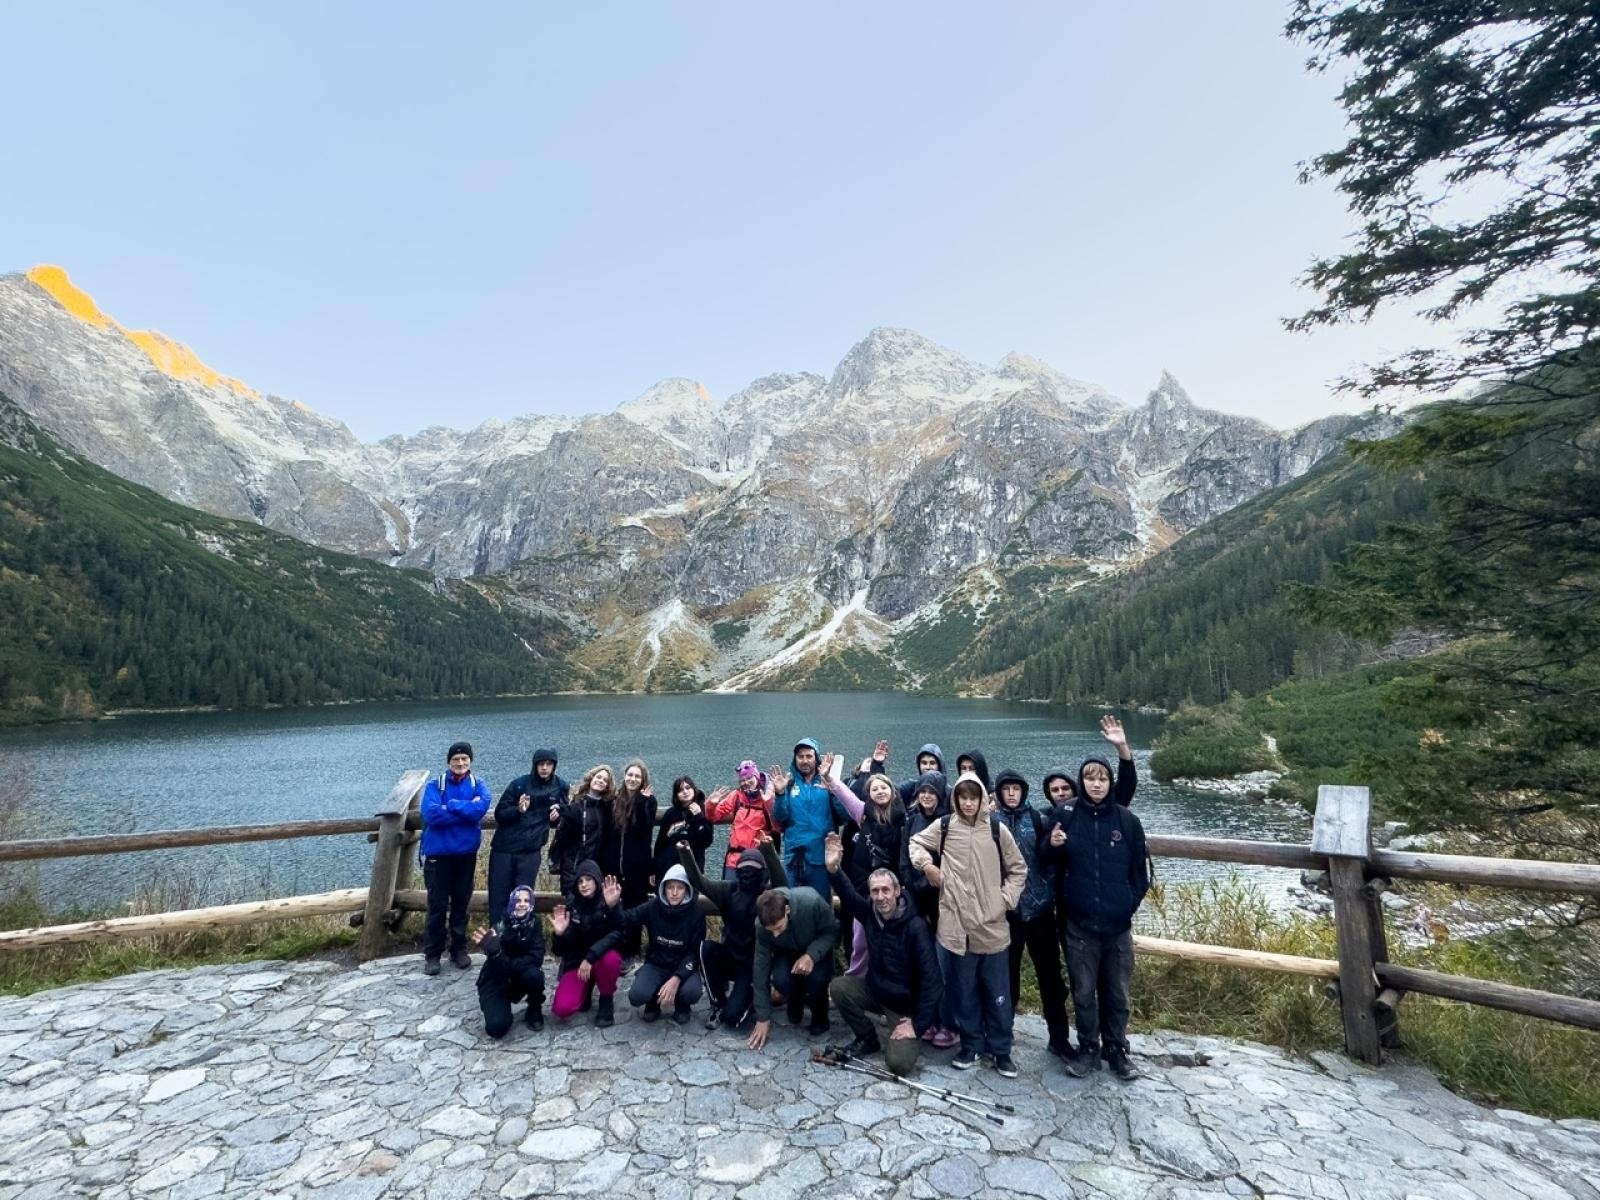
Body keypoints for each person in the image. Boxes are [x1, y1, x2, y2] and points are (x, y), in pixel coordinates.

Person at [907, 771, 1027, 1077]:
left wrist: (1004, 900)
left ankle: (1001, 1050)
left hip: (992, 926)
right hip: (956, 926)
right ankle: (971, 1044)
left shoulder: (998, 829)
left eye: (974, 797)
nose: (969, 803)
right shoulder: (946, 826)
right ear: (956, 798)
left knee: (998, 993)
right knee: (965, 992)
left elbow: (1018, 869)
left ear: (982, 799)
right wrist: (928, 867)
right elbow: (915, 843)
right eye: (963, 797)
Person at [1044, 745, 1151, 1082]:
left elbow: (1140, 874)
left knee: (1117, 992)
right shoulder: (1066, 815)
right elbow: (1047, 863)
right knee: (1084, 991)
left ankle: (1117, 1049)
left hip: (1117, 926)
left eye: (1102, 778)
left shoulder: (1126, 820)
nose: (1096, 784)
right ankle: (1088, 1047)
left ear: (1109, 782)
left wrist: (1126, 905)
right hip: (1079, 923)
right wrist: (1052, 845)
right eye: (1090, 778)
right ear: (1082, 781)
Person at [823, 833, 941, 1077]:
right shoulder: (870, 912)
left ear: (897, 891)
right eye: (875, 891)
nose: (880, 897)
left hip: (905, 1007)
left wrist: (916, 1025)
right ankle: (867, 1038)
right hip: (876, 991)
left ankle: (899, 1031)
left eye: (885, 890)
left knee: (898, 1065)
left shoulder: (915, 926)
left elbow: (933, 982)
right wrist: (834, 869)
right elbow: (848, 896)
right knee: (839, 988)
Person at [992, 767, 1073, 1058]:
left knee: (1051, 978)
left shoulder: (1039, 819)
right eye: (1006, 788)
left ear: (1024, 791)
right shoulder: (991, 822)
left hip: (1040, 912)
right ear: (999, 792)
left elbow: (1051, 858)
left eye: (1016, 788)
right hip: (1007, 913)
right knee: (1006, 978)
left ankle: (1059, 1038)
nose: (1012, 793)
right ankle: (1002, 1036)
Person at [677, 832, 787, 1031]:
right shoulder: (728, 890)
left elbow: (782, 883)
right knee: (706, 948)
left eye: (753, 870)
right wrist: (685, 852)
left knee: (733, 1019)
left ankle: (753, 998)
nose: (747, 874)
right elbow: (699, 882)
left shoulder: (769, 895)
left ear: (762, 872)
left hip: (752, 965)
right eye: (743, 869)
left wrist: (768, 850)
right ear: (737, 871)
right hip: (729, 956)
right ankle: (717, 1003)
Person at [594, 865, 707, 1024]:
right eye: (670, 887)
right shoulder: (653, 906)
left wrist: (677, 978)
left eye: (679, 888)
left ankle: (682, 1006)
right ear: (663, 888)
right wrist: (613, 906)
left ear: (687, 889)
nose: (674, 893)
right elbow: (625, 920)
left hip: (683, 965)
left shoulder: (696, 913)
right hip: (657, 964)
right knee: (637, 996)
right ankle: (653, 1002)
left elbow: (695, 953)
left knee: (692, 992)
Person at [897, 769, 958, 1049]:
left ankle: (949, 1022)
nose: (926, 796)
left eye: (932, 792)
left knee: (945, 962)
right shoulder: (912, 821)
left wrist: (934, 884)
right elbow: (904, 861)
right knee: (924, 962)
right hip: (918, 900)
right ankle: (929, 1018)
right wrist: (915, 886)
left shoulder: (950, 822)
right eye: (922, 792)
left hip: (945, 900)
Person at [419, 741, 492, 975]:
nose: (460, 763)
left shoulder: (478, 784)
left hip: (465, 855)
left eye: (464, 759)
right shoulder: (435, 785)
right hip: (438, 856)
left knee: (461, 903)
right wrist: (464, 810)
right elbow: (431, 815)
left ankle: (458, 949)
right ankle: (433, 954)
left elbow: (479, 811)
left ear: (470, 761)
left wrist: (450, 806)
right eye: (456, 760)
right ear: (449, 762)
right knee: (437, 906)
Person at [747, 884, 839, 1047]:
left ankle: (820, 1017)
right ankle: (795, 998)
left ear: (787, 910)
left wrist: (811, 955)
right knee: (781, 979)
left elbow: (831, 931)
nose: (775, 934)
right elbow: (760, 967)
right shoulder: (762, 926)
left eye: (778, 928)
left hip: (817, 947)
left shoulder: (812, 902)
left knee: (816, 979)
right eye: (771, 931)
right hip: (788, 951)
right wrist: (763, 1017)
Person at [488, 747, 565, 920]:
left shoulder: (560, 786)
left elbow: (565, 812)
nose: (544, 768)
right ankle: (497, 942)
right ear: (535, 765)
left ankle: (521, 940)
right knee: (498, 898)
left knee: (523, 899)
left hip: (530, 852)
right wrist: (518, 809)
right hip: (504, 850)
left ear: (554, 766)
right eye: (541, 764)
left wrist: (557, 816)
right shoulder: (519, 784)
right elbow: (500, 814)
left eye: (548, 764)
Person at [772, 738, 850, 901]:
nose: (805, 761)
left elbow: (845, 815)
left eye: (809, 756)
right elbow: (780, 817)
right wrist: (779, 794)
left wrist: (833, 789)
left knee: (820, 905)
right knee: (792, 906)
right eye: (801, 757)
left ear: (816, 758)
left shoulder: (828, 783)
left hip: (820, 857)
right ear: (795, 759)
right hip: (793, 858)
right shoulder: (789, 784)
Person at [549, 860, 621, 1027]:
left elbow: (618, 934)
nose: (584, 884)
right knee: (562, 1009)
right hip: (578, 964)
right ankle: (586, 988)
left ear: (597, 881)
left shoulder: (609, 900)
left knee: (611, 960)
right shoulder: (571, 906)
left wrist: (612, 909)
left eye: (588, 879)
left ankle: (606, 999)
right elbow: (560, 951)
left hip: (600, 959)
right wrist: (559, 934)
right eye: (580, 881)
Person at [471, 884, 547, 1035]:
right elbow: (496, 967)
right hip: (496, 979)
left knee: (535, 976)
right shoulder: (498, 928)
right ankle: (498, 1006)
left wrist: (501, 957)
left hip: (519, 976)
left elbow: (537, 957)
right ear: (511, 902)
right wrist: (493, 953)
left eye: (526, 900)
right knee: (496, 1028)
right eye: (518, 900)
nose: (522, 904)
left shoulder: (535, 924)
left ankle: (534, 1007)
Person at [705, 760, 779, 880]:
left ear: (757, 777)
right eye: (742, 780)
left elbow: (777, 826)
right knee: (731, 895)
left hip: (757, 859)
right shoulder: (736, 796)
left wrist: (768, 802)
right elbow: (713, 817)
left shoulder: (768, 795)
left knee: (756, 896)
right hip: (733, 859)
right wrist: (711, 804)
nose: (746, 783)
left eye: (749, 778)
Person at [549, 764, 614, 895]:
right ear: (591, 778)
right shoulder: (576, 804)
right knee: (573, 907)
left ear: (607, 786)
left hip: (596, 868)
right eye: (598, 777)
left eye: (604, 780)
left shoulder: (607, 808)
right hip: (573, 866)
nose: (600, 781)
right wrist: (555, 818)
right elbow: (562, 833)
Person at [653, 775, 713, 883]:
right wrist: (653, 870)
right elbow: (660, 843)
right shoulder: (671, 814)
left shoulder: (704, 812)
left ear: (694, 789)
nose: (685, 792)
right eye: (680, 790)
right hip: (668, 868)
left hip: (692, 870)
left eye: (688, 788)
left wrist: (699, 817)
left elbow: (706, 841)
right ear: (676, 795)